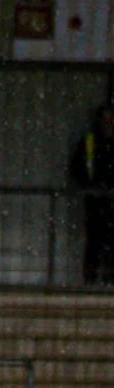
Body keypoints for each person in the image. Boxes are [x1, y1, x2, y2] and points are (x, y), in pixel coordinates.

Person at [75, 103, 114, 288]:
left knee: (110, 241)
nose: (108, 124)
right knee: (95, 240)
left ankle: (109, 280)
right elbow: (77, 167)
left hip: (111, 200)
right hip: (94, 199)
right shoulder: (89, 141)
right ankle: (90, 281)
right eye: (105, 120)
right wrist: (91, 186)